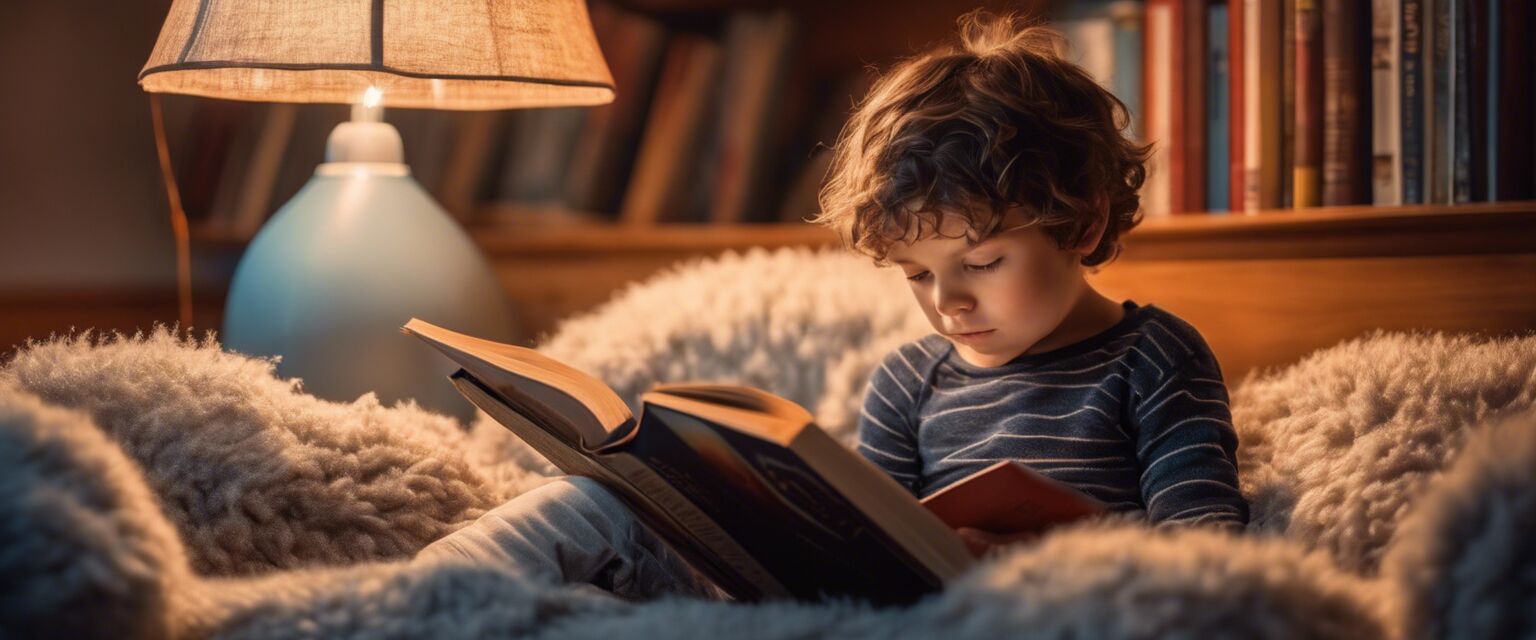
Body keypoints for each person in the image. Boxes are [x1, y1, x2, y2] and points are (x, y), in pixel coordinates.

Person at [413, 9, 1247, 600]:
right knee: (593, 505)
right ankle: (406, 603)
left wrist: (1058, 558)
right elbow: (871, 543)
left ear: (1085, 220)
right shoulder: (910, 379)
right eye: (916, 275)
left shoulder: (1154, 358)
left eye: (981, 261)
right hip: (844, 608)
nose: (948, 301)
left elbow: (1207, 548)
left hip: (1035, 612)